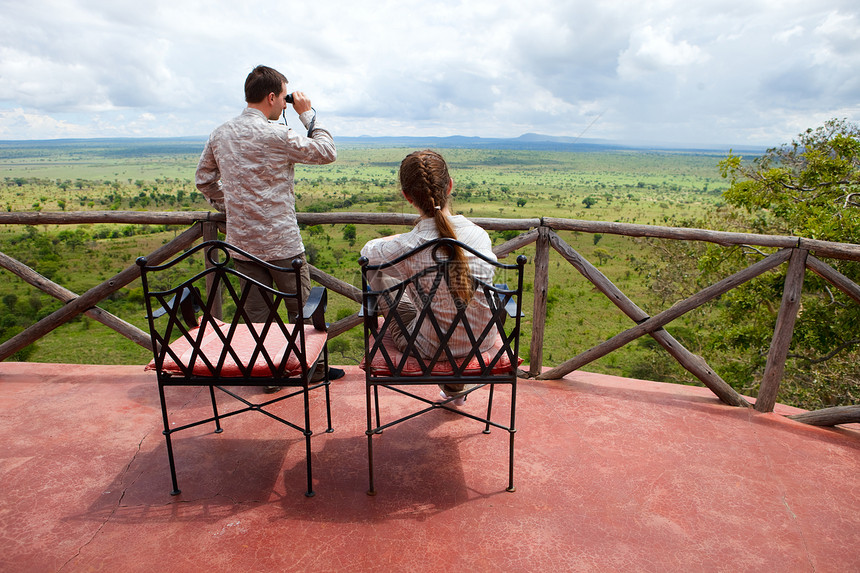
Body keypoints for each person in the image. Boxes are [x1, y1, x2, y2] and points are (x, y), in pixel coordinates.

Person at [196, 64, 344, 387]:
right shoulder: (277, 134)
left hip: (242, 245)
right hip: (283, 246)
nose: (285, 105)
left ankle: (270, 374)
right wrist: (308, 116)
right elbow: (327, 152)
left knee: (257, 318)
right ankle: (313, 371)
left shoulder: (220, 134)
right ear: (273, 97)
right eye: (283, 98)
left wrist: (232, 205)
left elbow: (204, 180)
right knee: (304, 314)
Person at [360, 150, 498, 405]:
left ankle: (452, 383)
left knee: (377, 271)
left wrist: (398, 239)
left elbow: (366, 255)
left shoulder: (409, 244)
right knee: (446, 297)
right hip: (482, 341)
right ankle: (455, 388)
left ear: (407, 197)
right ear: (450, 186)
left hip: (429, 348)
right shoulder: (479, 235)